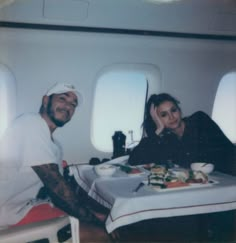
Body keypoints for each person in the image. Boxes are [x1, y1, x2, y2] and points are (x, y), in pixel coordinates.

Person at [0, 82, 106, 229]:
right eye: (62, 99)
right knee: (95, 232)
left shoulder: (55, 146)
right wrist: (93, 219)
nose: (68, 106)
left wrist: (89, 212)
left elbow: (57, 187)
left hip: (19, 208)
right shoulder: (30, 123)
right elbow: (57, 187)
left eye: (73, 104)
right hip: (5, 214)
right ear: (45, 101)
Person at [128, 93, 235, 175]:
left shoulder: (199, 121)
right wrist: (158, 130)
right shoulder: (168, 138)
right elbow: (134, 160)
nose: (171, 117)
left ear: (179, 110)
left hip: (230, 174)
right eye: (164, 115)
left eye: (173, 110)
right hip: (211, 182)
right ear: (157, 120)